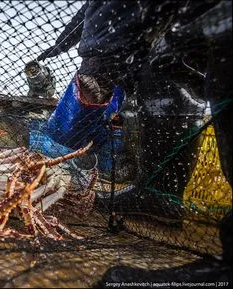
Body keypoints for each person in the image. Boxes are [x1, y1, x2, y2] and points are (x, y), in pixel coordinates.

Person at [35, 0, 231, 242]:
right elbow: (89, 8)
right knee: (154, 78)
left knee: (171, 64)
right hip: (107, 45)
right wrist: (61, 44)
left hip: (135, 35)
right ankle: (156, 193)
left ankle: (161, 194)